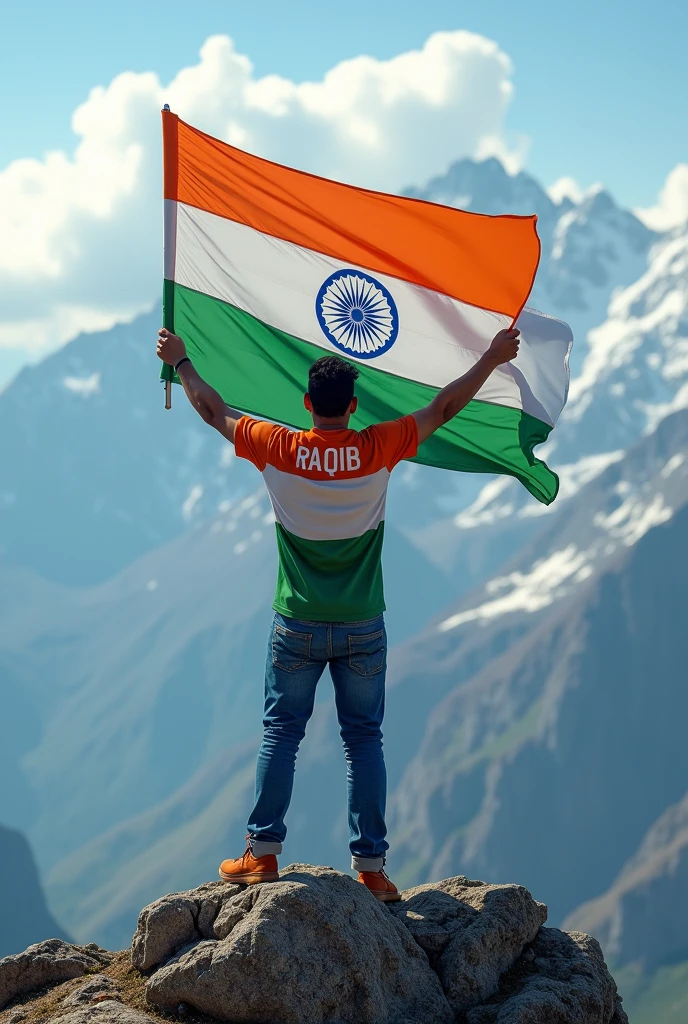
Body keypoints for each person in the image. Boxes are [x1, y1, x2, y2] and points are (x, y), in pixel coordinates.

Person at [157, 325, 520, 902]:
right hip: (362, 626)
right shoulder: (379, 446)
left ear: (307, 404)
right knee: (364, 739)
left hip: (296, 622)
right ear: (353, 407)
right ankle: (372, 870)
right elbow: (445, 406)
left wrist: (182, 363)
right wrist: (491, 358)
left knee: (282, 732)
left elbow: (212, 410)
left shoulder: (278, 446)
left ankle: (262, 853)